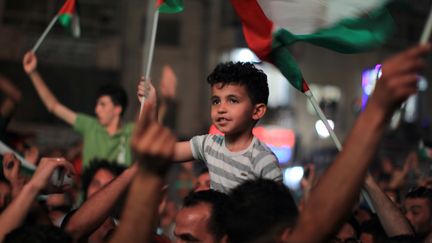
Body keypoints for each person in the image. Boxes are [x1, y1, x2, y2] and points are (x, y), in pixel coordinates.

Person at [138, 62, 282, 193]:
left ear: (257, 111)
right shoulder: (209, 145)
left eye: (232, 100)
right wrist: (152, 105)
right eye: (216, 101)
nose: (221, 109)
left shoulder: (264, 160)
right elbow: (161, 150)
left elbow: (275, 215)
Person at [22, 52, 134, 167]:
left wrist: (150, 101)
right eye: (97, 104)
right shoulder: (90, 126)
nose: (96, 110)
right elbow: (53, 106)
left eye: (103, 105)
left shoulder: (130, 132)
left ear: (117, 109)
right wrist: (33, 73)